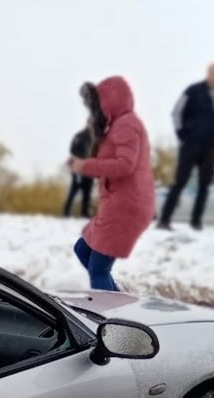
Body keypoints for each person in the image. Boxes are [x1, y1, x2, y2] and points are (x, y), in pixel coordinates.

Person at [68, 76, 155, 291]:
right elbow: (106, 158)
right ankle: (120, 304)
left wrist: (84, 167)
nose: (95, 109)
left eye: (99, 102)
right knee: (83, 249)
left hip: (126, 206)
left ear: (111, 100)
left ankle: (113, 318)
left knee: (98, 269)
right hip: (115, 204)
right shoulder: (117, 126)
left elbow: (125, 165)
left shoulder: (127, 124)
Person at [157, 63, 214, 230]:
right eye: (213, 72)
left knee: (204, 185)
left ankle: (196, 222)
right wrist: (183, 136)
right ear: (208, 73)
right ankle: (164, 220)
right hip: (191, 144)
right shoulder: (193, 90)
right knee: (180, 182)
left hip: (212, 146)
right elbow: (177, 112)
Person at [63, 122, 94, 217]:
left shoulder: (95, 138)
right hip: (78, 167)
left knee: (87, 191)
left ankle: (85, 212)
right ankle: (66, 212)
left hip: (90, 167)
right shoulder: (80, 136)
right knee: (74, 189)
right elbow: (72, 150)